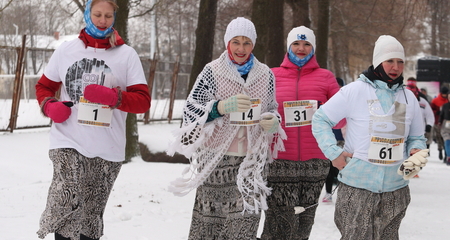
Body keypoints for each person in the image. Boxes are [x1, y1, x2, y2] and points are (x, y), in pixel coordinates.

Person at [35, 1, 151, 239]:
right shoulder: (67, 50)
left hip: (107, 146)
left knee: (89, 215)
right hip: (68, 138)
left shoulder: (126, 55)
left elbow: (143, 101)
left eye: (108, 16)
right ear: (88, 15)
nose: (102, 20)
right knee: (66, 202)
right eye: (97, 14)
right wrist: (50, 105)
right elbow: (44, 86)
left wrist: (114, 97)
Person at [167, 17, 285, 240]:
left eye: (247, 42)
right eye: (236, 42)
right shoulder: (212, 71)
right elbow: (191, 110)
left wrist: (272, 121)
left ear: (254, 44)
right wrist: (219, 107)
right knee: (211, 226)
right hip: (217, 162)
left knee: (246, 224)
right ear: (227, 43)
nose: (241, 48)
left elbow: (271, 108)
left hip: (252, 161)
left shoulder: (266, 74)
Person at [312, 35, 428, 239]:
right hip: (358, 186)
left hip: (396, 188)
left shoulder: (409, 97)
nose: (395, 67)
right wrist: (334, 153)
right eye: (390, 60)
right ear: (377, 62)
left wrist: (416, 151)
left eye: (400, 61)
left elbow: (417, 137)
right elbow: (320, 119)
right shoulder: (355, 91)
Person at [260, 26, 342, 240]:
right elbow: (258, 112)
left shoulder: (326, 77)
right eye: (296, 43)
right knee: (277, 223)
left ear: (313, 48)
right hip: (279, 161)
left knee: (303, 225)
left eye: (307, 44)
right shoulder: (272, 75)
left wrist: (323, 107)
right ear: (289, 47)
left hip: (315, 163)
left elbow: (343, 118)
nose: (301, 48)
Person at [322, 77, 345, 203]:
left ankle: (343, 193)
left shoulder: (346, 101)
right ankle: (328, 193)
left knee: (342, 167)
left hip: (342, 140)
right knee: (329, 168)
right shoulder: (327, 102)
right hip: (329, 139)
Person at [431, 85, 449, 160]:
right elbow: (431, 110)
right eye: (444, 93)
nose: (445, 95)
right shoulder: (435, 101)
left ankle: (446, 154)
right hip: (437, 122)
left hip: (446, 122)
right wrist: (437, 112)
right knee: (439, 138)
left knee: (446, 138)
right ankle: (440, 151)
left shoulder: (448, 100)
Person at [439, 98, 450, 165]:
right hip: (446, 125)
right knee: (447, 141)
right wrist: (440, 121)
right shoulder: (445, 105)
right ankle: (448, 157)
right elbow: (441, 115)